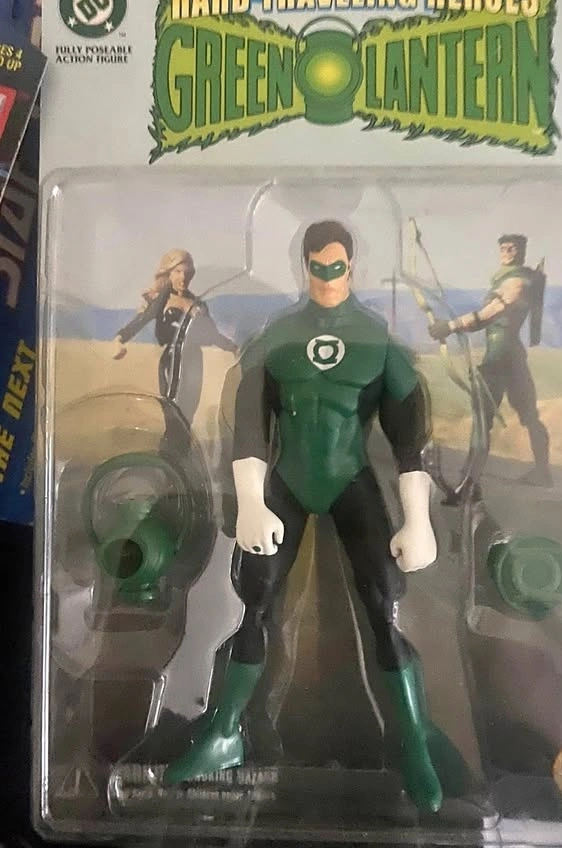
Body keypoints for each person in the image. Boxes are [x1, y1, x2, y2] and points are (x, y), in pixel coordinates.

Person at [164, 221, 466, 813]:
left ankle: (413, 737)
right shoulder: (277, 338)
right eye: (318, 267)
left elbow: (409, 440)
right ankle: (224, 733)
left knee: (383, 605)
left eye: (338, 267)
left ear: (352, 266)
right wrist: (252, 502)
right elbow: (249, 428)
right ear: (305, 266)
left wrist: (418, 519)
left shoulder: (377, 341)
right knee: (256, 602)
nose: (328, 278)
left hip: (352, 479)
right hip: (289, 480)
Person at [429, 234, 551, 488]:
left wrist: (451, 326)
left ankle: (470, 481)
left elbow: (490, 313)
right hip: (507, 353)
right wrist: (452, 326)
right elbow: (481, 322)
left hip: (502, 355)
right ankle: (475, 478)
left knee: (485, 418)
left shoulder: (517, 281)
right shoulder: (509, 279)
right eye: (503, 248)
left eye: (512, 248)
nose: (507, 252)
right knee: (514, 416)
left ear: (521, 251)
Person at [111, 249, 238, 446]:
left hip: (193, 362)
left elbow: (212, 335)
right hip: (172, 360)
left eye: (186, 272)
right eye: (177, 271)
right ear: (169, 274)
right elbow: (142, 320)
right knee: (172, 409)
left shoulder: (198, 304)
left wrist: (234, 347)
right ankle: (168, 452)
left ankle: (182, 453)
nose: (183, 277)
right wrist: (120, 338)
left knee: (188, 414)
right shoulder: (163, 299)